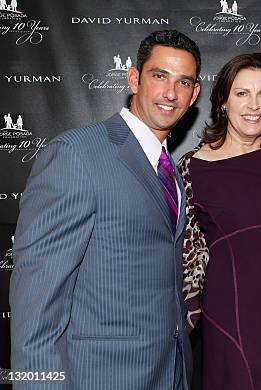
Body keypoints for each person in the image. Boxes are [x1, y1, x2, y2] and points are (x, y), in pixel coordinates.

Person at [9, 29, 201, 389]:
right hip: (100, 376)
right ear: (133, 79)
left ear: (195, 94)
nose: (170, 93)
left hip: (169, 373)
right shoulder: (76, 154)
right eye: (159, 76)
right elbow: (36, 305)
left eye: (183, 82)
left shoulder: (169, 169)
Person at [178, 52, 261, 390]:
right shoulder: (193, 167)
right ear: (222, 100)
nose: (254, 104)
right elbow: (183, 251)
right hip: (229, 310)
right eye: (242, 93)